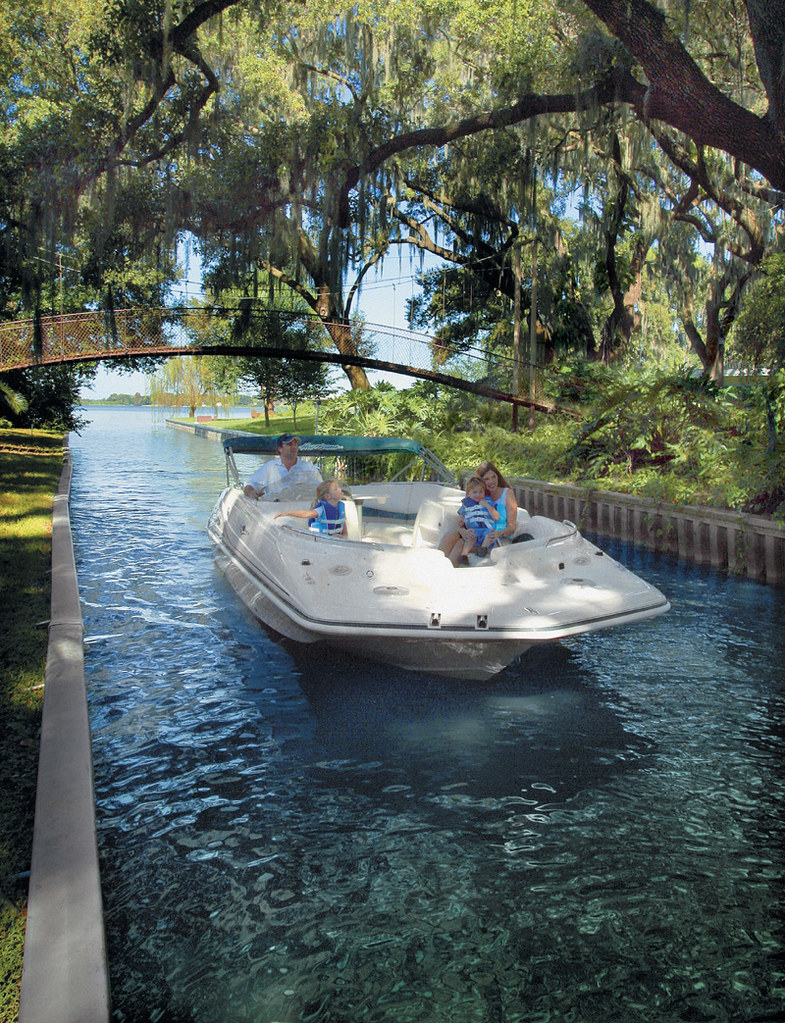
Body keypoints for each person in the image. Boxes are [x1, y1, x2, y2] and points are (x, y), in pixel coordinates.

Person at [438, 460, 519, 565]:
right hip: (476, 534)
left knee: (460, 544)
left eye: (494, 477)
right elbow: (467, 517)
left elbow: (511, 527)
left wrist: (498, 533)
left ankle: (449, 572)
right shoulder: (476, 493)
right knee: (451, 535)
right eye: (486, 479)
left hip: (496, 537)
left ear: (498, 476)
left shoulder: (507, 493)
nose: (491, 481)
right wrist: (463, 531)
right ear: (480, 482)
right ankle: (436, 564)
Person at [243, 433, 322, 499]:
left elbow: (322, 490)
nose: (294, 447)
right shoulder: (270, 467)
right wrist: (251, 492)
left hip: (302, 510)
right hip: (274, 510)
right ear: (279, 448)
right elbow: (249, 484)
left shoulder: (309, 468)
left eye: (295, 444)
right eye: (289, 444)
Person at [452, 476, 500, 564]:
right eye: (474, 492)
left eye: (481, 492)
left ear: (484, 493)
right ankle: (464, 555)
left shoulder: (489, 503)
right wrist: (461, 522)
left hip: (487, 530)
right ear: (468, 494)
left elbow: (496, 517)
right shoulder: (466, 505)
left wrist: (487, 506)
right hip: (474, 531)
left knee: (490, 535)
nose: (478, 495)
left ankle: (483, 549)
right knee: (470, 537)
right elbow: (461, 516)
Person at [274, 479, 347, 536]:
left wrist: (343, 537)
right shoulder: (322, 509)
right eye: (336, 489)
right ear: (328, 496)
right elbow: (306, 514)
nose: (340, 490)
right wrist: (287, 513)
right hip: (321, 541)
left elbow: (342, 525)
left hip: (334, 542)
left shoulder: (341, 507)